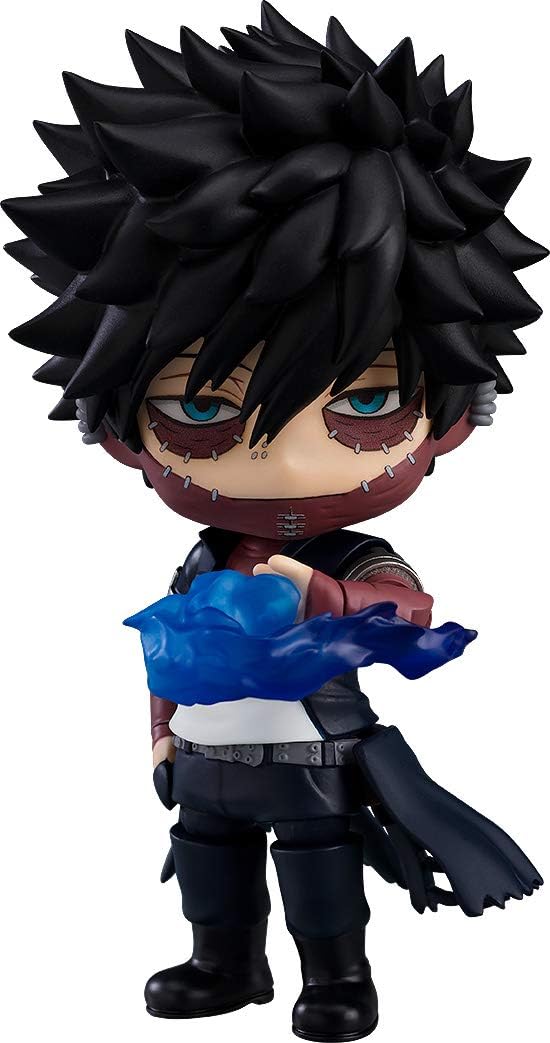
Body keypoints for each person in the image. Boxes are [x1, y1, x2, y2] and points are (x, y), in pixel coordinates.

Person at [3, 5, 545, 1040]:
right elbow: (164, 648)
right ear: (115, 428)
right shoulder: (200, 553)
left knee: (319, 876)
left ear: (451, 417)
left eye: (368, 400)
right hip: (206, 759)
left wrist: (321, 591)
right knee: (207, 867)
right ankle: (225, 963)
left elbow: (403, 612)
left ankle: (336, 978)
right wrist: (158, 736)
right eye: (202, 411)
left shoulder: (351, 547)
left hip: (311, 759)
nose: (291, 463)